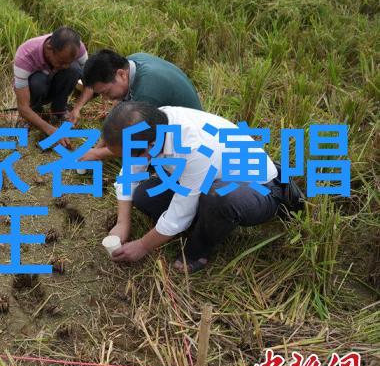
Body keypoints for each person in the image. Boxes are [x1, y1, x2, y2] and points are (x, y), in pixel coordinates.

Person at [103, 101, 287, 273]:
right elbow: (130, 175)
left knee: (218, 198)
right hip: (207, 180)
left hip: (259, 190)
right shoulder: (153, 124)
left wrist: (143, 245)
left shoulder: (195, 147)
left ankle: (198, 251)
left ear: (151, 146)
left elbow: (179, 214)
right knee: (144, 196)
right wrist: (123, 222)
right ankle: (207, 221)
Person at [80, 49, 202, 162]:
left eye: (106, 92)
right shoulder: (132, 62)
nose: (105, 98)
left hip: (190, 136)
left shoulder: (146, 95)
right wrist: (97, 147)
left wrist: (97, 154)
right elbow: (118, 112)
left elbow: (133, 142)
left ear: (121, 74)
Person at [13, 26, 94, 148]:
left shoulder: (78, 48)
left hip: (57, 82)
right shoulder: (25, 55)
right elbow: (22, 107)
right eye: (61, 62)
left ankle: (59, 110)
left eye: (68, 62)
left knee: (74, 69)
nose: (65, 66)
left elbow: (90, 83)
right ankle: (35, 112)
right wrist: (50, 130)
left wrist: (77, 108)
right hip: (36, 89)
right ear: (49, 49)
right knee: (37, 82)